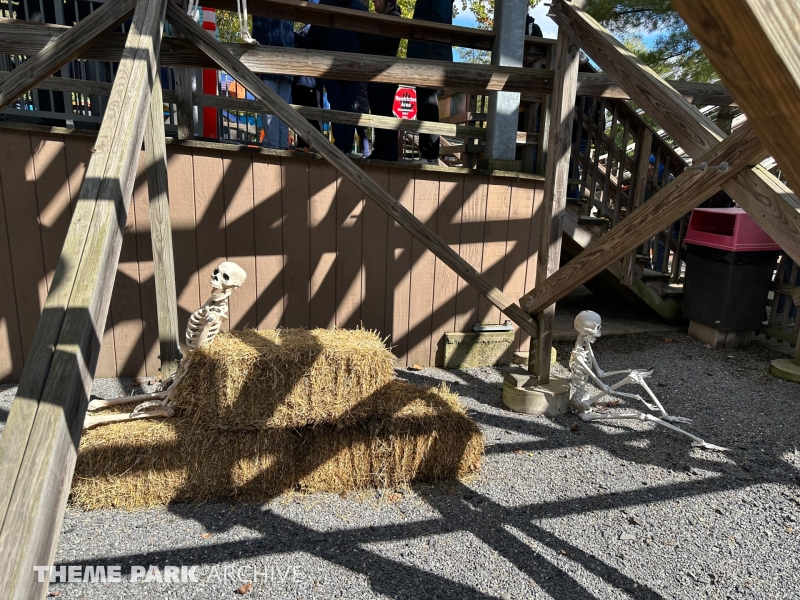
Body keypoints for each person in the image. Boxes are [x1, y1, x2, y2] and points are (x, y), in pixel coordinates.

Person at [310, 0, 369, 154]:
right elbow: (366, 37)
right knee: (348, 105)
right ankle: (346, 146)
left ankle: (341, 145)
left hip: (331, 62)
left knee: (336, 103)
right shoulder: (360, 7)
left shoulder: (326, 3)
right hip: (353, 63)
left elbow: (315, 33)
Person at [406, 0, 454, 165]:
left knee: (428, 104)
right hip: (427, 52)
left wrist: (414, 24)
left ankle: (430, 155)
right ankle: (427, 154)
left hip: (431, 53)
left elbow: (439, 18)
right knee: (425, 104)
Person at [361, 0, 403, 161]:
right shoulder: (383, 18)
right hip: (376, 70)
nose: (373, 1)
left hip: (386, 72)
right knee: (377, 111)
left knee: (384, 111)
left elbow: (384, 44)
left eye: (376, 0)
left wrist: (366, 38)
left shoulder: (394, 18)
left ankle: (390, 152)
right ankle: (380, 150)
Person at [252, 16, 295, 149]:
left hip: (268, 62)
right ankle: (282, 145)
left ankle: (273, 146)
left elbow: (258, 34)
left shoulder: (264, 11)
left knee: (270, 110)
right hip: (288, 63)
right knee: (283, 109)